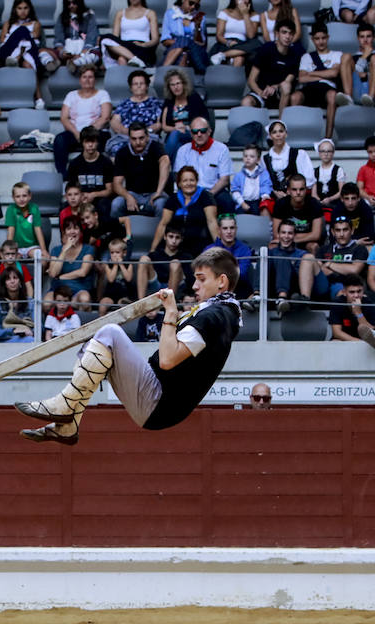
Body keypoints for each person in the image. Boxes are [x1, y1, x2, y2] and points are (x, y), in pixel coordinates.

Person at [15, 246, 242, 445]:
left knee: (110, 332)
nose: (194, 286)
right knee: (100, 340)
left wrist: (171, 312)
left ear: (221, 281)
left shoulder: (215, 317)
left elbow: (167, 359)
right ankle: (68, 423)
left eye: (201, 279)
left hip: (159, 401)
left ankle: (65, 407)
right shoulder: (219, 315)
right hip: (160, 401)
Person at [53, 66, 111, 175]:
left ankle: (100, 174)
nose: (87, 80)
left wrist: (87, 134)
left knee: (104, 139)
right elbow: (64, 118)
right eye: (84, 77)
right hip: (75, 133)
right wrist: (76, 133)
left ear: (95, 79)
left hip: (96, 133)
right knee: (60, 140)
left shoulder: (102, 94)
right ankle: (63, 176)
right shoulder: (71, 95)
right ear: (80, 80)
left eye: (90, 77)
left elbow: (105, 117)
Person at [296, 24, 349, 140]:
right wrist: (325, 74)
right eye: (317, 39)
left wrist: (311, 73)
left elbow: (334, 74)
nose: (320, 42)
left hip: (328, 89)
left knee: (332, 95)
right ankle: (298, 136)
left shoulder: (337, 55)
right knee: (295, 97)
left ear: (328, 37)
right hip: (310, 89)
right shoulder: (306, 57)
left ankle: (328, 138)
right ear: (312, 39)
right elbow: (302, 78)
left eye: (323, 38)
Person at [111, 122, 170, 224]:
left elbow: (165, 162)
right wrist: (128, 197)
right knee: (116, 204)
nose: (138, 142)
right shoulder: (122, 153)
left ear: (147, 137)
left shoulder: (156, 147)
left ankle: (160, 237)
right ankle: (117, 237)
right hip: (133, 193)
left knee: (161, 204)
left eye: (141, 138)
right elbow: (116, 184)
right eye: (134, 139)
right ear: (129, 138)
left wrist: (159, 192)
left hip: (154, 193)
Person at [153, 166, 218, 258]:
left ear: (196, 181)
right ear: (179, 183)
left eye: (192, 180)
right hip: (177, 245)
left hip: (199, 244)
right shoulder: (173, 199)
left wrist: (220, 248)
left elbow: (212, 222)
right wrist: (152, 249)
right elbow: (163, 224)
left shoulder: (206, 196)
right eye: (185, 181)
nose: (189, 183)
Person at [171, 116, 232, 213]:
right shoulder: (183, 151)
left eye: (203, 131)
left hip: (214, 191)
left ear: (209, 131)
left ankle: (226, 227)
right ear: (191, 133)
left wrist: (207, 196)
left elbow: (224, 180)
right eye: (195, 131)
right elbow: (179, 178)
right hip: (189, 191)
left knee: (226, 201)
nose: (199, 134)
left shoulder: (222, 149)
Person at [243, 21, 301, 118]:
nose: (287, 36)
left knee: (286, 86)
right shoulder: (266, 49)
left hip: (281, 95)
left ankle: (280, 124)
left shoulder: (295, 54)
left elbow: (288, 80)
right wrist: (260, 93)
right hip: (263, 92)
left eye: (290, 33)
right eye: (284, 32)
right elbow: (251, 80)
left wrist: (275, 87)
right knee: (246, 102)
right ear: (277, 34)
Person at [266, 221, 320, 313]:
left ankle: (296, 301)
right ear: (278, 235)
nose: (286, 236)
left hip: (295, 290)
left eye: (290, 233)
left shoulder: (302, 254)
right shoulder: (270, 253)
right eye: (283, 233)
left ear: (295, 236)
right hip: (273, 291)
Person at [107, 69, 163, 158]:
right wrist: (129, 133)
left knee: (153, 149)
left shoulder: (155, 103)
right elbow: (114, 122)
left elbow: (160, 123)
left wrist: (145, 132)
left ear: (147, 86)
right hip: (126, 137)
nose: (139, 86)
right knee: (116, 149)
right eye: (135, 84)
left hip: (148, 137)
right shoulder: (124, 104)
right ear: (131, 87)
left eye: (142, 83)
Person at [63, 126, 116, 214]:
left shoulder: (106, 162)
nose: (90, 145)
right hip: (80, 198)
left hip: (100, 199)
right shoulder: (74, 164)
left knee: (104, 205)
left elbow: (110, 190)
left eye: (93, 141)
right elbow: (71, 188)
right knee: (64, 207)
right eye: (87, 141)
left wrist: (94, 195)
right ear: (82, 143)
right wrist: (81, 196)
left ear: (97, 143)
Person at [159, 68, 208, 160]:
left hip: (193, 133)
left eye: (178, 83)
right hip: (175, 136)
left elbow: (204, 120)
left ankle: (163, 163)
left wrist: (186, 128)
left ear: (184, 84)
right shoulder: (169, 102)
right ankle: (175, 173)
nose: (176, 87)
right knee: (178, 145)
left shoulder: (194, 98)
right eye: (172, 85)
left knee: (175, 135)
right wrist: (176, 128)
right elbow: (164, 127)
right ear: (169, 87)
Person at [317, 214, 369, 299]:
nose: (341, 234)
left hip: (351, 288)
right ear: (333, 232)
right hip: (326, 285)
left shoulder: (360, 249)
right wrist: (341, 272)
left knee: (344, 293)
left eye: (345, 230)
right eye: (338, 230)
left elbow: (354, 270)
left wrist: (329, 264)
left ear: (352, 231)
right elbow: (319, 268)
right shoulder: (324, 249)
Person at [328, 274, 375, 348]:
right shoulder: (337, 303)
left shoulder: (368, 303)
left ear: (363, 290)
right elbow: (337, 333)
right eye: (352, 292)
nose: (356, 295)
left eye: (359, 291)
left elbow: (371, 331)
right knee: (335, 342)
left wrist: (358, 313)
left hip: (365, 340)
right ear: (344, 292)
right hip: (345, 339)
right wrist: (358, 342)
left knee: (362, 328)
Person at [345, 23, 375, 109]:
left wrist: (368, 75)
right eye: (362, 37)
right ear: (358, 38)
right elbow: (351, 79)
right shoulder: (352, 58)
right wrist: (365, 55)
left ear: (373, 38)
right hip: (357, 91)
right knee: (345, 57)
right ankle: (348, 97)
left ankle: (370, 98)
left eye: (368, 36)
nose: (365, 40)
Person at [206, 213, 254, 299]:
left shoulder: (244, 249)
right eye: (225, 228)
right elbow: (207, 273)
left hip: (239, 289)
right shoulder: (209, 249)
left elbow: (242, 273)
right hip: (215, 290)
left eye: (232, 228)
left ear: (236, 229)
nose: (229, 232)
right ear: (219, 230)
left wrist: (220, 272)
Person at [272, 174, 325, 252]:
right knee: (272, 246)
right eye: (294, 189)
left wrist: (290, 238)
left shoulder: (315, 204)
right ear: (289, 190)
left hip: (306, 242)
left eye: (301, 189)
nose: (298, 192)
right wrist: (290, 239)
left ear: (306, 189)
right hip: (286, 241)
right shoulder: (280, 204)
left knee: (314, 246)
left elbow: (316, 235)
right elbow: (276, 235)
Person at [103, 0, 159, 67]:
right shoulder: (120, 13)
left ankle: (136, 60)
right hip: (125, 46)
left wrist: (143, 45)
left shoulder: (150, 13)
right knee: (105, 39)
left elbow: (155, 39)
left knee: (121, 58)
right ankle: (135, 60)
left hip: (141, 46)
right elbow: (115, 38)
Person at [161, 0, 210, 74]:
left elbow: (201, 43)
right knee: (184, 52)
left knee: (184, 40)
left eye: (196, 5)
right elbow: (165, 41)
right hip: (175, 50)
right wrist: (182, 45)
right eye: (191, 3)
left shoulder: (200, 16)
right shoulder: (170, 14)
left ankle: (162, 71)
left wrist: (197, 27)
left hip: (196, 51)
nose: (193, 7)